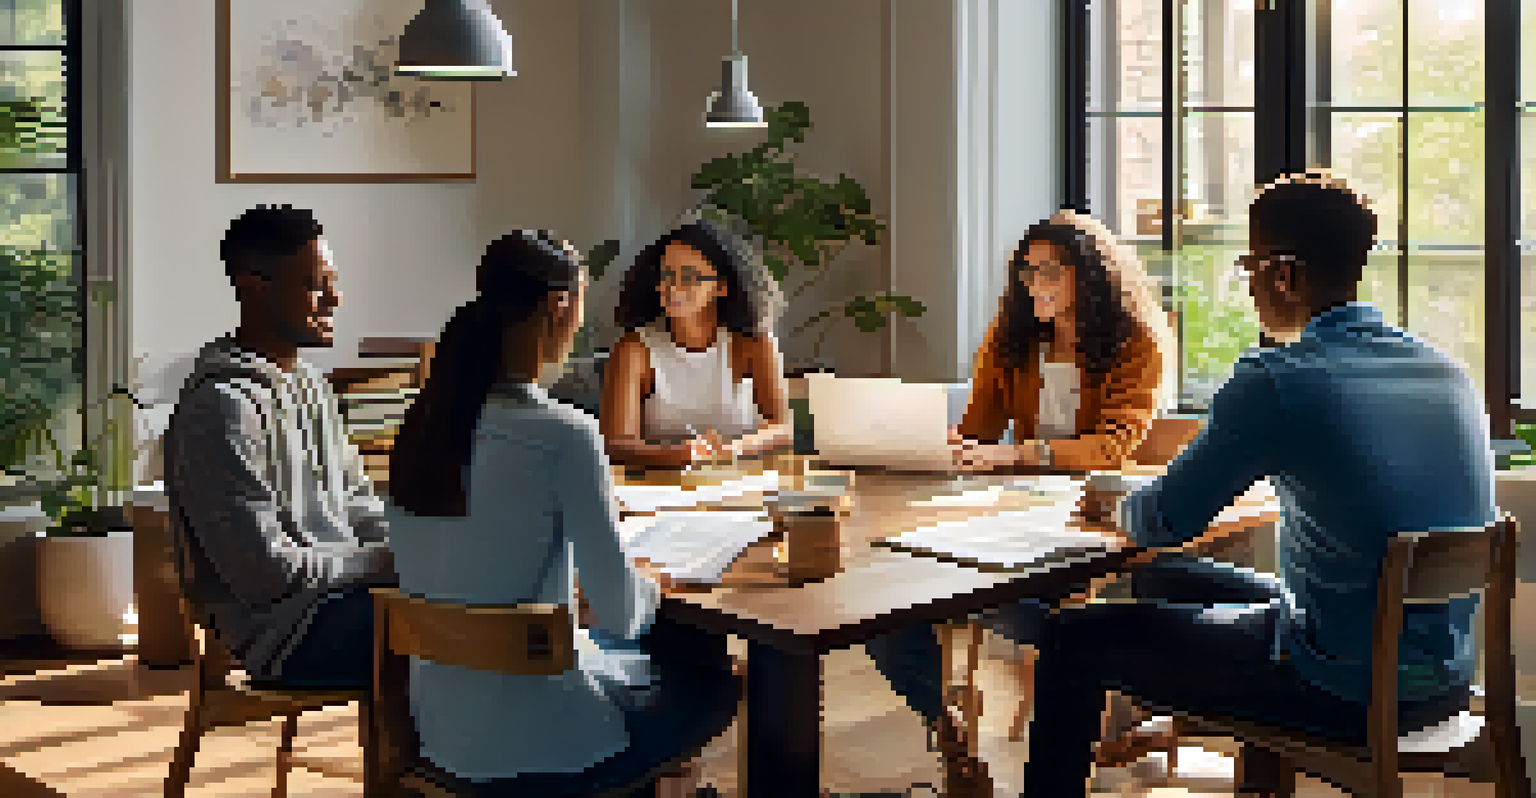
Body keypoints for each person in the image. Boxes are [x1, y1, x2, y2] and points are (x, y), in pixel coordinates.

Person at [1021, 172, 1493, 796]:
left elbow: (1165, 520)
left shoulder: (1279, 378)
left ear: (1285, 276)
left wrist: (1112, 509)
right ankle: (1169, 737)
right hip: (1445, 679)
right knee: (1159, 576)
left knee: (1072, 635)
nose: (1245, 286)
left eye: (1248, 266)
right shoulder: (1447, 371)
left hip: (1341, 686)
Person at [384, 231, 739, 792]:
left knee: (623, 658)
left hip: (445, 737)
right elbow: (621, 613)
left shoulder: (421, 426)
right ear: (559, 306)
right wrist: (643, 583)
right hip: (554, 745)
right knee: (711, 670)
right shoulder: (563, 435)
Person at [862, 209, 1176, 797]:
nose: (1037, 285)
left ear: (1093, 277)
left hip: (1091, 521)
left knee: (1054, 621)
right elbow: (978, 431)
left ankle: (1116, 695)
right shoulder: (1011, 338)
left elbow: (1110, 448)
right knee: (888, 600)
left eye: (1052, 271)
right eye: (1028, 272)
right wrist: (946, 444)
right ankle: (948, 732)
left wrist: (1014, 455)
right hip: (1012, 516)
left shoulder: (1138, 342)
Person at [165, 205, 394, 689]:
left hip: (343, 599)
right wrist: (384, 562)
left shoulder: (311, 384)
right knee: (450, 635)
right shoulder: (221, 409)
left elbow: (356, 502)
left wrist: (416, 548)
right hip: (286, 635)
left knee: (473, 606)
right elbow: (265, 573)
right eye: (315, 284)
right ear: (253, 287)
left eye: (332, 280)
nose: (335, 298)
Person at [600, 216, 792, 469]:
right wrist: (681, 455)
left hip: (741, 485)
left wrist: (732, 449)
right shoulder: (633, 349)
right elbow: (615, 445)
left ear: (721, 286)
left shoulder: (755, 342)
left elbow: (782, 430)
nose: (673, 287)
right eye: (666, 275)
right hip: (658, 490)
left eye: (689, 276)